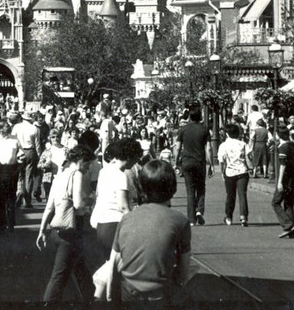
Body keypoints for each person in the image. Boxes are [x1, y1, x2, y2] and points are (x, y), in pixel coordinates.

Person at [103, 160, 192, 303]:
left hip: (129, 292)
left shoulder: (126, 218)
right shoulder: (180, 221)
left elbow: (114, 261)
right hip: (161, 294)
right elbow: (184, 272)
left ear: (141, 188)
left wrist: (110, 294)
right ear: (173, 188)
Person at [36, 145, 96, 304]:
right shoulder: (77, 174)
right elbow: (78, 204)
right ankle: (48, 303)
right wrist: (91, 199)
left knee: (80, 268)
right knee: (59, 275)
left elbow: (49, 207)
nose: (88, 168)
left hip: (57, 230)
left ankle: (90, 299)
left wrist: (42, 230)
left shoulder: (60, 176)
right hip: (72, 229)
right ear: (81, 160)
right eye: (88, 164)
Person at [90, 141, 137, 260]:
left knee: (109, 264)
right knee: (120, 266)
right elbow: (123, 207)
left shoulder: (103, 172)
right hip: (115, 225)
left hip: (101, 224)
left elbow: (98, 195)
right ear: (129, 157)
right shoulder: (121, 176)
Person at [174, 107, 212, 226]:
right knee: (201, 188)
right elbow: (209, 148)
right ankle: (199, 210)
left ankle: (191, 219)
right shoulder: (204, 129)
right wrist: (210, 163)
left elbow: (177, 147)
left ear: (189, 117)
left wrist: (176, 162)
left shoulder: (183, 129)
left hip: (187, 162)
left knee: (190, 190)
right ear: (200, 117)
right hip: (199, 162)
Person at [218, 122, 250, 227]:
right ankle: (243, 217)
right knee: (242, 194)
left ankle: (229, 217)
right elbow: (249, 156)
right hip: (242, 171)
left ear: (227, 134)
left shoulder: (223, 145)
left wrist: (222, 172)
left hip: (230, 172)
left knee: (230, 195)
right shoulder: (243, 144)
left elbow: (221, 161)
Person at [271, 124, 294, 238]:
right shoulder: (293, 145)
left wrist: (280, 181)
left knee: (275, 202)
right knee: (289, 204)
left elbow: (282, 165)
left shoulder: (283, 147)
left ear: (278, 135)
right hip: (293, 178)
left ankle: (287, 225)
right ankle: (291, 231)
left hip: (285, 179)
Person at [13, 112, 42, 209]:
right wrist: (39, 156)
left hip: (19, 150)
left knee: (20, 175)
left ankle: (19, 192)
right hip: (30, 151)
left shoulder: (16, 127)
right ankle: (27, 200)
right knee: (29, 176)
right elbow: (37, 145)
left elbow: (13, 139)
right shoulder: (35, 129)